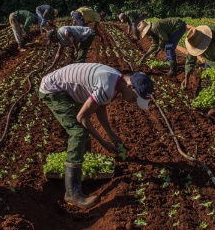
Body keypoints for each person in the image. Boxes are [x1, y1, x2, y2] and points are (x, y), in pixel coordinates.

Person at [39, 63, 154, 208]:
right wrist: (103, 142)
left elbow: (100, 107)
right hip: (53, 90)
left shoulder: (119, 82)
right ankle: (72, 193)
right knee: (78, 132)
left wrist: (111, 135)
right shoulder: (107, 86)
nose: (133, 102)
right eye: (135, 98)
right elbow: (82, 117)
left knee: (83, 130)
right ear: (131, 87)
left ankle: (83, 165)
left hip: (65, 89)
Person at [183, 25, 215, 115]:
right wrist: (186, 79)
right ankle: (200, 101)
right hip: (211, 58)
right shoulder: (193, 43)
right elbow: (190, 61)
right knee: (206, 78)